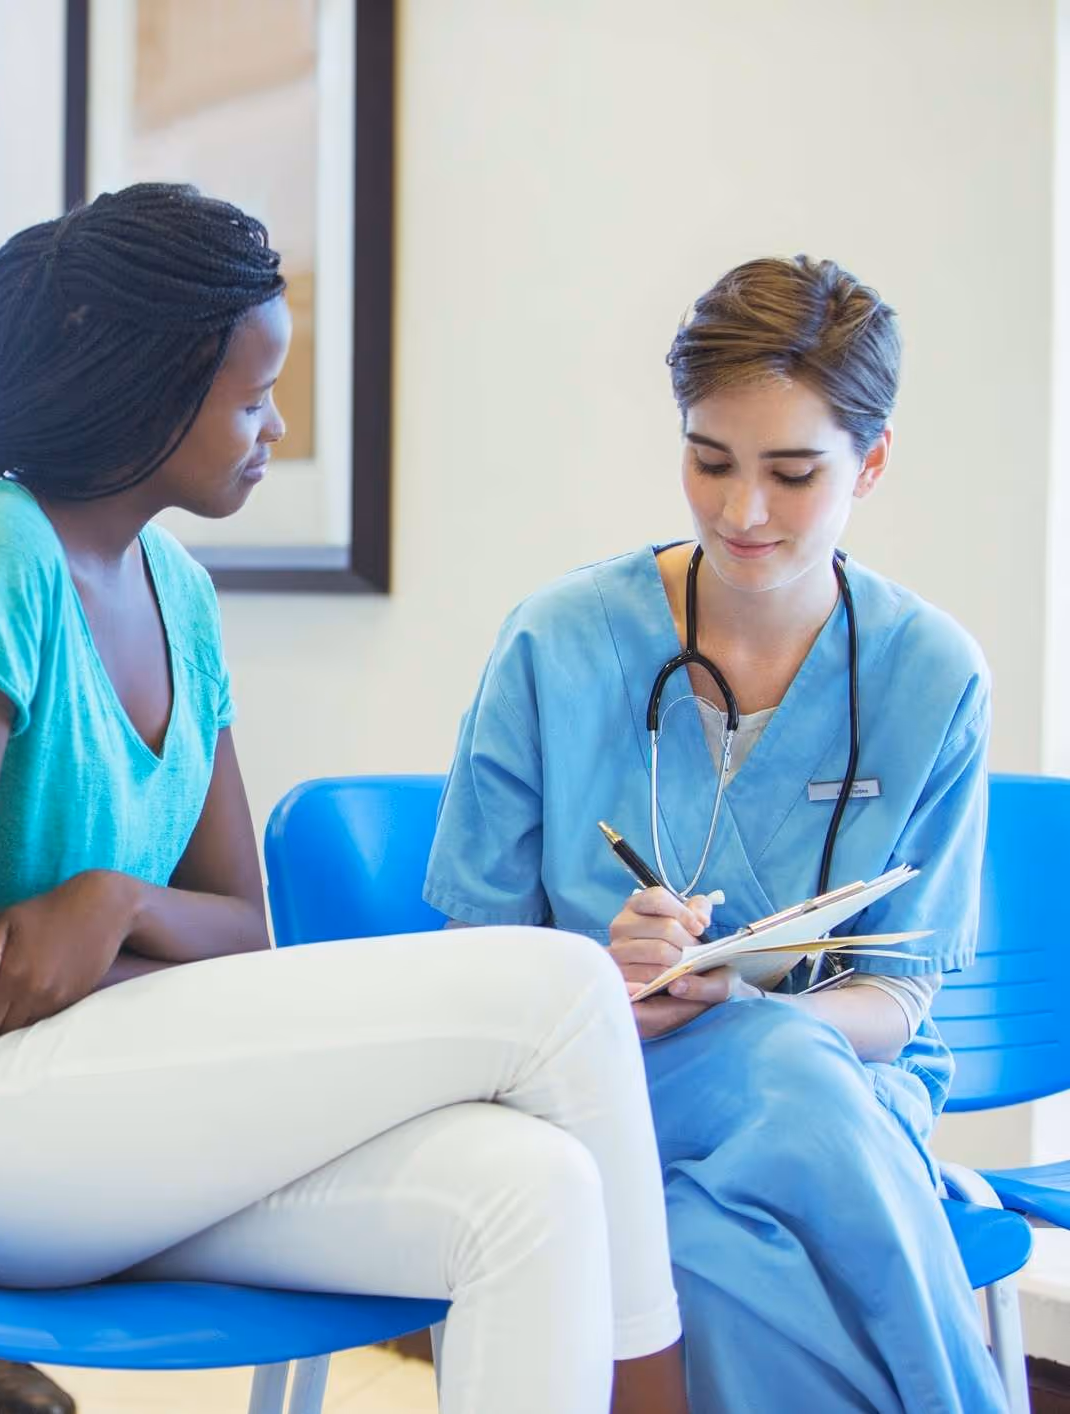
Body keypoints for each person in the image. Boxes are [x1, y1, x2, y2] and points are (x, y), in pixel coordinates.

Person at [0, 184, 688, 1414]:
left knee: (534, 1191)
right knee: (568, 985)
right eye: (252, 397)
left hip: (79, 1112)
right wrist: (133, 953)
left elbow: (240, 927)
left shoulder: (177, 593)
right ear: (146, 397)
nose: (275, 423)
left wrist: (110, 905)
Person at [424, 255, 1002, 1412]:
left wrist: (745, 1010)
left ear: (871, 463)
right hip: (591, 1092)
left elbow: (896, 1005)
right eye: (709, 460)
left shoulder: (932, 673)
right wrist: (602, 979)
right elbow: (469, 973)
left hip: (842, 1084)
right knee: (765, 1114)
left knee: (715, 1253)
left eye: (794, 474)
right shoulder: (557, 643)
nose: (743, 511)